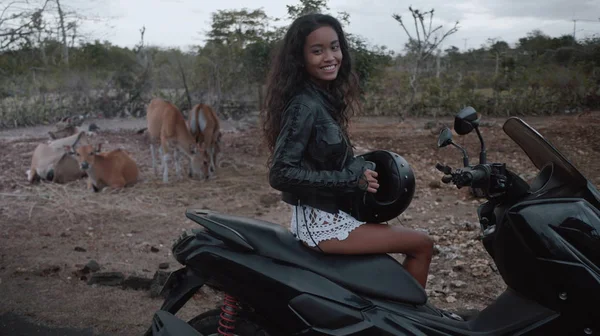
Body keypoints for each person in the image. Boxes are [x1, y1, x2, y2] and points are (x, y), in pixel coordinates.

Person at [261, 13, 434, 289]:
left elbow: (319, 158)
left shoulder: (322, 97)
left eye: (334, 46)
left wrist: (358, 171)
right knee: (421, 244)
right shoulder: (304, 105)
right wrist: (351, 179)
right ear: (300, 58)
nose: (330, 57)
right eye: (317, 51)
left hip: (333, 217)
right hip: (321, 226)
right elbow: (280, 174)